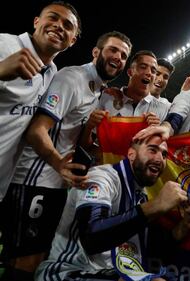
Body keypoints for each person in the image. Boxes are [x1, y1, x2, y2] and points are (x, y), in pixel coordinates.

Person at [1, 31, 132, 281]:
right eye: (113, 50)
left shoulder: (97, 90)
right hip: (34, 180)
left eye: (124, 55)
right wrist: (57, 163)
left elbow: (73, 137)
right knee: (25, 261)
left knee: (37, 257)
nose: (118, 57)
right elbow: (37, 129)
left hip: (55, 183)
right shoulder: (72, 78)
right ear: (96, 52)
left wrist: (90, 135)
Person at [35, 135, 190, 281]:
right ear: (131, 155)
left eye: (164, 154)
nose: (159, 159)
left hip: (112, 273)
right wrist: (155, 206)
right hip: (70, 272)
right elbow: (91, 238)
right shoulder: (101, 177)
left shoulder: (140, 194)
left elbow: (148, 250)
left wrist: (183, 227)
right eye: (152, 150)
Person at [0, 1, 81, 200]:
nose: (59, 25)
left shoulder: (52, 72)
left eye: (67, 25)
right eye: (53, 17)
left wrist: (58, 162)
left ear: (72, 41)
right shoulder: (4, 44)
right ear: (37, 22)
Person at [80, 51, 170, 149]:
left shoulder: (162, 109)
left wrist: (157, 132)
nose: (149, 73)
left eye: (153, 71)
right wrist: (89, 126)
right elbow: (85, 145)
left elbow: (162, 151)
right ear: (130, 72)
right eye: (143, 67)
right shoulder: (107, 97)